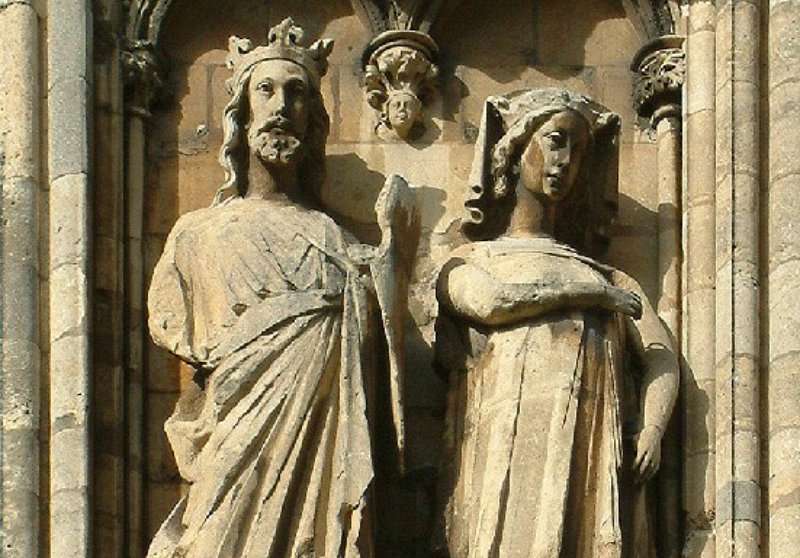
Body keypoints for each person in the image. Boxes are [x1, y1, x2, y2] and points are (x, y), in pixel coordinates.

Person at [146, 18, 419, 558]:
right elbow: (171, 324)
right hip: (234, 436)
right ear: (241, 115)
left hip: (321, 451)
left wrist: (395, 261)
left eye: (297, 94)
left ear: (312, 118)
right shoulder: (195, 234)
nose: (281, 107)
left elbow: (367, 360)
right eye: (265, 91)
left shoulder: (335, 239)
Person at [434, 89, 679, 557]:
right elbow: (492, 304)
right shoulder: (471, 261)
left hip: (590, 449)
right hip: (503, 449)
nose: (565, 161)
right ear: (515, 147)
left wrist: (651, 429)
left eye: (578, 151)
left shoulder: (610, 278)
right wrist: (590, 294)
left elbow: (660, 357)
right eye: (555, 141)